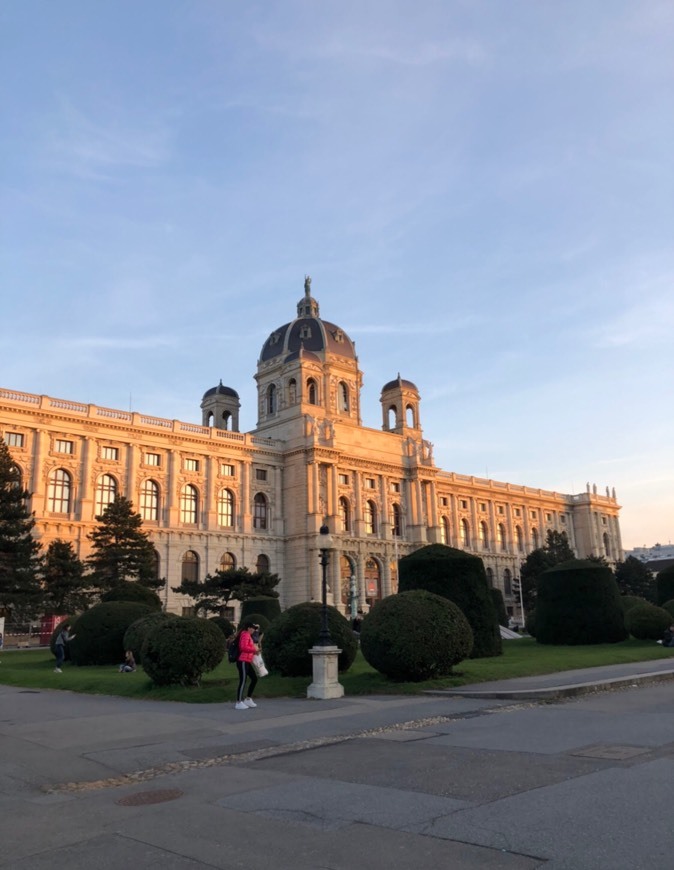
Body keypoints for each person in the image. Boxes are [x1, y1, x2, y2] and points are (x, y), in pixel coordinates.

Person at [234, 621, 259, 710]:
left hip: (246, 661)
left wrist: (254, 651)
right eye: (252, 628)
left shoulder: (248, 635)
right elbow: (243, 647)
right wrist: (254, 650)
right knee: (243, 680)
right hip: (243, 661)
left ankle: (248, 699)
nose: (253, 630)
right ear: (248, 628)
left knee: (254, 678)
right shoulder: (245, 634)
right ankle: (238, 702)